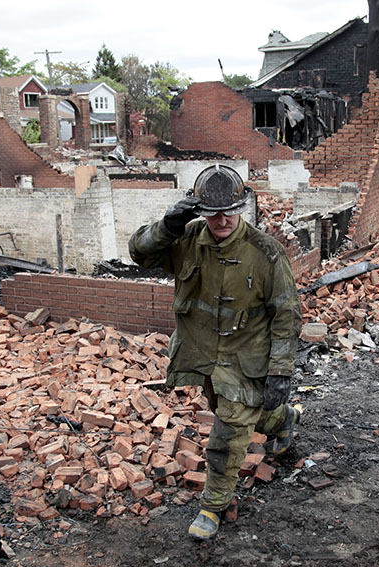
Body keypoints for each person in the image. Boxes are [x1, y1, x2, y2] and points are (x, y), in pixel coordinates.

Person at [128, 165, 302, 540]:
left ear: (243, 207)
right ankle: (281, 419)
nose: (222, 219)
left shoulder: (266, 253)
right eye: (212, 212)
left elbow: (287, 316)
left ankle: (213, 505)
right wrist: (167, 226)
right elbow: (139, 254)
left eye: (230, 210)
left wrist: (280, 371)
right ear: (200, 210)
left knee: (226, 435)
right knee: (244, 416)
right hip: (204, 357)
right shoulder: (188, 238)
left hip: (246, 359)